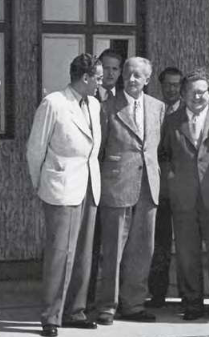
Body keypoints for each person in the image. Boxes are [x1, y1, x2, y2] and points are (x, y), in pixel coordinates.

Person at [26, 53, 103, 337]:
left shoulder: (94, 105)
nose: (100, 83)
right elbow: (35, 150)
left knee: (83, 254)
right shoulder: (54, 104)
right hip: (61, 189)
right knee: (60, 254)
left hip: (89, 187)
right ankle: (51, 317)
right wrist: (42, 185)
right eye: (98, 78)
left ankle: (75, 310)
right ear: (85, 78)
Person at [160, 68, 209, 322]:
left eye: (202, 92)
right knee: (187, 254)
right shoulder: (171, 120)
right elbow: (164, 155)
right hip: (184, 198)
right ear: (183, 94)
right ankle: (193, 304)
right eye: (192, 92)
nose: (197, 97)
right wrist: (171, 179)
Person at [96, 57, 166, 325]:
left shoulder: (157, 107)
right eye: (129, 74)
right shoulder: (108, 108)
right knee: (113, 249)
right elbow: (99, 151)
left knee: (142, 249)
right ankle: (107, 306)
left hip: (148, 186)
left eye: (138, 75)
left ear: (148, 79)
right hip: (116, 184)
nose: (132, 79)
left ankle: (133, 304)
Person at [87, 48, 124, 308]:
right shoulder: (87, 97)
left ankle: (111, 298)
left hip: (115, 184)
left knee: (113, 246)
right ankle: (84, 297)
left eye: (114, 69)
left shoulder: (124, 100)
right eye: (106, 68)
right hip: (89, 179)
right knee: (89, 242)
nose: (109, 74)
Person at [146, 66, 183, 308]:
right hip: (160, 187)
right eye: (168, 84)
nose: (172, 89)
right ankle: (157, 293)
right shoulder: (155, 111)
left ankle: (189, 294)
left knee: (186, 242)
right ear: (160, 85)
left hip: (184, 187)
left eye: (176, 84)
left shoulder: (189, 110)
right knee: (159, 243)